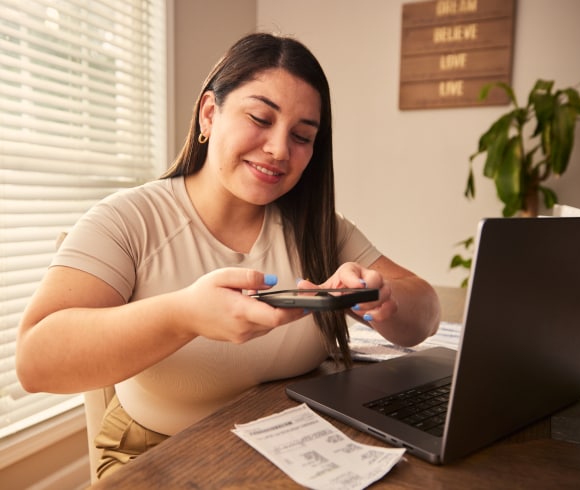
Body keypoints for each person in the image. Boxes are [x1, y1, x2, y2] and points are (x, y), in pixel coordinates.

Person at [16, 32, 440, 478]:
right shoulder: (129, 219)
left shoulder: (319, 228)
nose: (279, 149)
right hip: (162, 455)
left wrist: (382, 299)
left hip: (298, 447)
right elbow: (35, 361)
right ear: (209, 113)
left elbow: (425, 313)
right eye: (260, 118)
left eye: (301, 135)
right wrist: (182, 315)